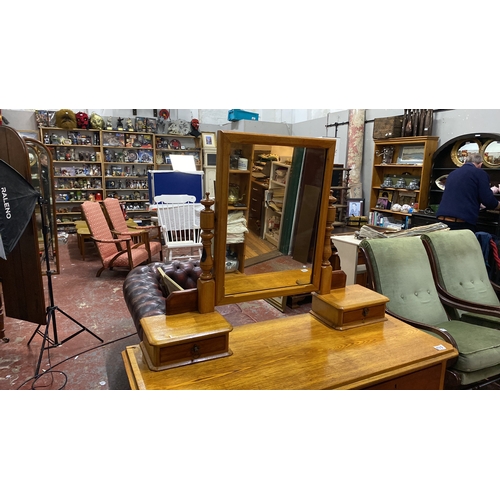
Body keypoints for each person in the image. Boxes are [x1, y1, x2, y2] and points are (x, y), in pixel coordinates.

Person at [436, 153, 500, 231]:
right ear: (480, 164)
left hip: (441, 218)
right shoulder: (480, 173)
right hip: (461, 221)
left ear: (465, 162)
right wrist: (498, 205)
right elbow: (488, 200)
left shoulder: (452, 173)